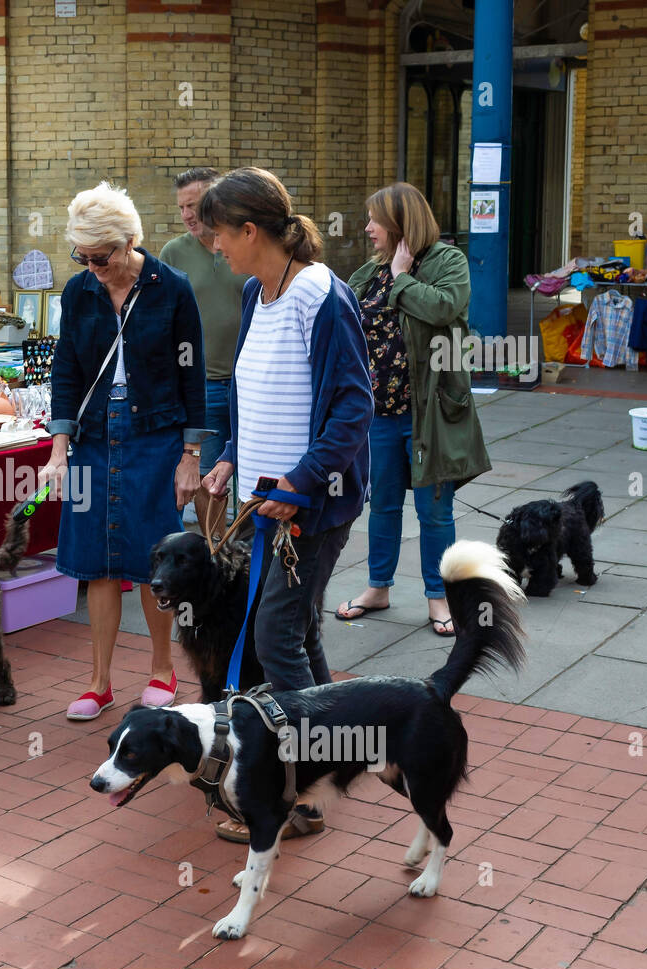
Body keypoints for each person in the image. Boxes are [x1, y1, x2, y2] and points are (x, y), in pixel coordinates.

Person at [199, 167, 373, 843]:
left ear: (250, 230)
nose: (215, 247)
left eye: (220, 234)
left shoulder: (321, 295)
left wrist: (298, 481)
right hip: (272, 500)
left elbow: (354, 406)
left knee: (276, 636)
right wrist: (232, 454)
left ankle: (297, 796)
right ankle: (342, 753)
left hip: (312, 506)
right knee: (297, 632)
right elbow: (258, 391)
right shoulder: (255, 292)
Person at [40, 181, 206, 721]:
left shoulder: (171, 288)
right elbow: (64, 370)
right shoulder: (78, 291)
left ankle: (162, 669)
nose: (93, 267)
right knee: (98, 562)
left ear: (129, 241)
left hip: (154, 435)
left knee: (152, 560)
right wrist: (58, 449)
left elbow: (193, 375)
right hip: (92, 436)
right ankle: (99, 682)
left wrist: (190, 455)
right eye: (82, 257)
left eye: (102, 256)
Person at [334, 182, 490, 637]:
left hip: (432, 414)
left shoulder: (448, 262)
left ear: (401, 222)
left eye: (374, 220)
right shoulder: (369, 273)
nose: (367, 229)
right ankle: (378, 588)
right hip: (380, 414)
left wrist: (403, 278)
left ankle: (439, 596)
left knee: (434, 512)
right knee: (382, 506)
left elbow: (445, 308)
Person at [160, 167, 250, 538]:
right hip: (204, 385)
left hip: (252, 381)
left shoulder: (243, 243)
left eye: (194, 205)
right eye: (181, 207)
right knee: (209, 476)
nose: (187, 214)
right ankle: (216, 552)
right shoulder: (173, 253)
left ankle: (252, 552)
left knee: (257, 472)